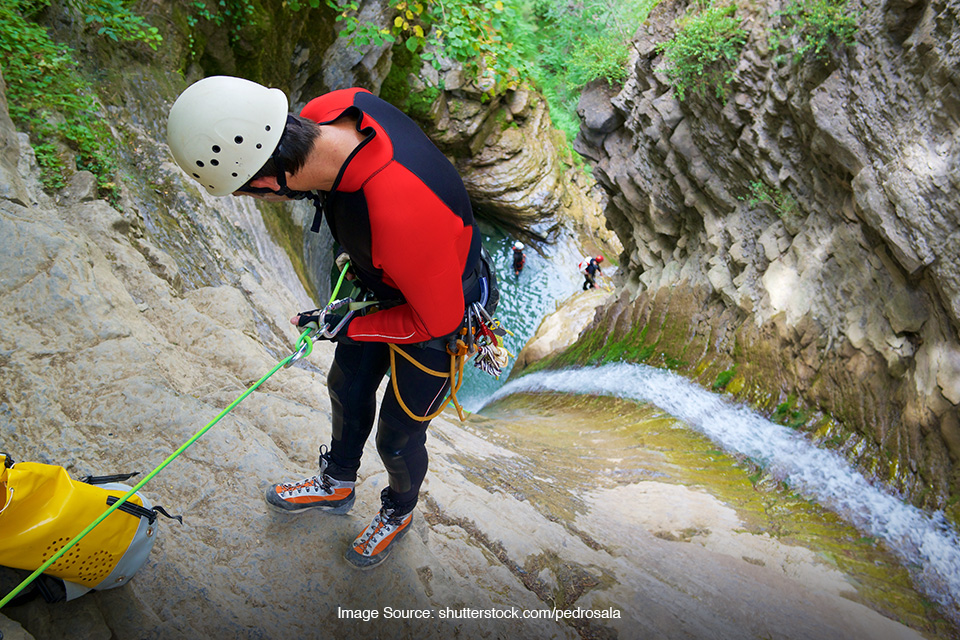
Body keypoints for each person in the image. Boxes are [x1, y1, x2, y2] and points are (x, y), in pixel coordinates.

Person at [167, 76, 497, 569]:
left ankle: (398, 511)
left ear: (264, 181)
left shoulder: (399, 210)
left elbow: (437, 319)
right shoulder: (332, 109)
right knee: (347, 386)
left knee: (399, 436)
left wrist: (347, 326)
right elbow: (351, 203)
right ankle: (337, 484)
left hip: (438, 310)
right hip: (385, 280)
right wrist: (355, 279)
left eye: (251, 194)